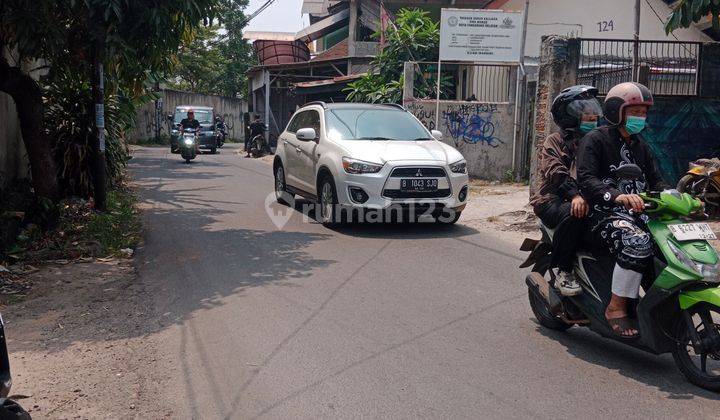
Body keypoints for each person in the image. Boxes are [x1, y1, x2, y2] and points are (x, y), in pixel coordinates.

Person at [577, 82, 670, 338]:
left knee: (670, 243)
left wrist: (675, 196)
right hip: (603, 214)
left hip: (639, 215)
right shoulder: (595, 140)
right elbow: (586, 180)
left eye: (643, 113)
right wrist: (618, 197)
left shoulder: (642, 147)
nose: (641, 118)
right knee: (637, 242)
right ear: (617, 111)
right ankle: (616, 307)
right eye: (635, 112)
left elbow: (656, 180)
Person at [530, 85, 603, 296]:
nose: (592, 118)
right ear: (568, 115)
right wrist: (576, 195)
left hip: (587, 198)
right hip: (551, 199)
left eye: (593, 113)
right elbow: (556, 173)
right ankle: (564, 271)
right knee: (577, 214)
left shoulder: (597, 141)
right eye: (586, 114)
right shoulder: (555, 141)